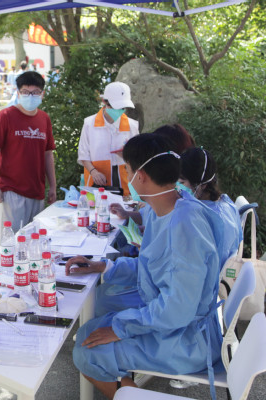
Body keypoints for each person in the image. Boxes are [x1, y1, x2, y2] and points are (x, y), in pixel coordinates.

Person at [65, 133, 224, 400]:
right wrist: (103, 266)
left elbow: (177, 310)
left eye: (127, 170)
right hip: (170, 325)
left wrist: (120, 329)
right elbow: (151, 267)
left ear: (140, 176)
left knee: (87, 351)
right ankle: (127, 388)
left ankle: (132, 393)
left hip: (185, 340)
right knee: (89, 330)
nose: (126, 176)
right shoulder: (169, 209)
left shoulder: (185, 226)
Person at [0, 70, 57, 233]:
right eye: (25, 92)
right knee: (11, 241)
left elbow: (48, 154)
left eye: (35, 92)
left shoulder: (44, 118)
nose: (30, 96)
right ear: (18, 93)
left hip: (37, 191)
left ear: (42, 94)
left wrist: (53, 186)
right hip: (11, 191)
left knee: (35, 239)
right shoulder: (5, 117)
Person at [180, 147, 242, 263]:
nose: (178, 187)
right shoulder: (227, 204)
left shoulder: (200, 216)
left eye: (181, 182)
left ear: (202, 185)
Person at [78, 82, 139, 195]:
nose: (118, 111)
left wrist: (126, 155)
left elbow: (138, 157)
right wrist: (94, 172)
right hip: (96, 183)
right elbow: (83, 155)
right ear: (104, 102)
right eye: (115, 107)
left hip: (125, 183)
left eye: (122, 108)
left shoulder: (132, 126)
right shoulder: (89, 124)